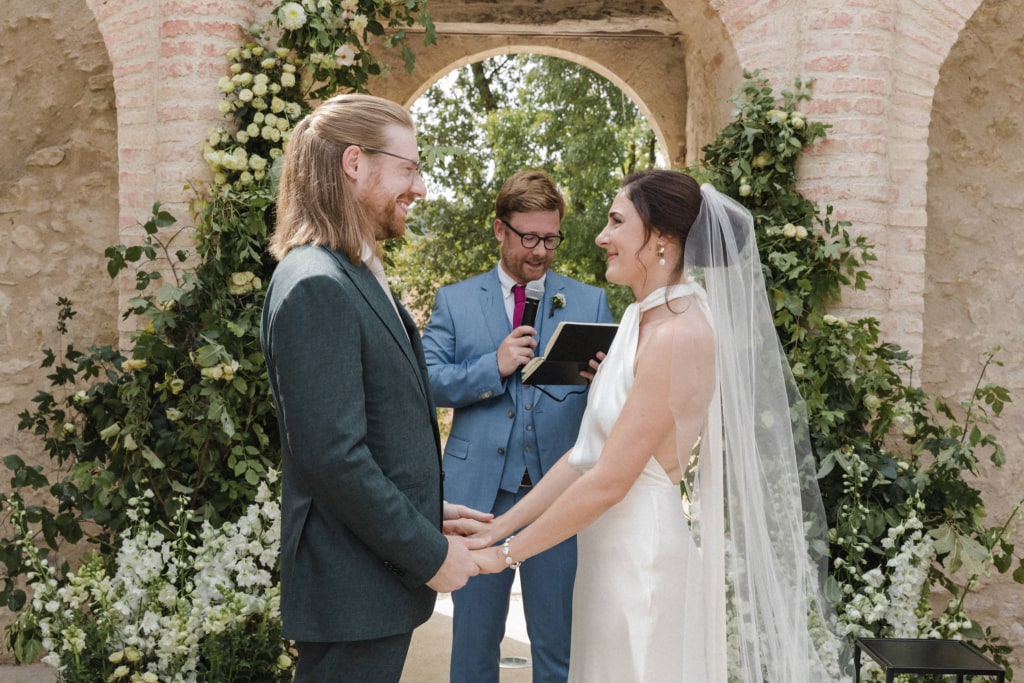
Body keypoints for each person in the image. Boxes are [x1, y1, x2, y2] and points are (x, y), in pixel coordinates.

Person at [468, 170, 844, 682]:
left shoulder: (679, 334)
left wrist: (505, 557)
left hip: (641, 562)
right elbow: (584, 457)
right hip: (606, 559)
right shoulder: (637, 320)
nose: (601, 236)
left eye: (616, 222)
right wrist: (497, 527)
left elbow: (609, 481)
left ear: (662, 238)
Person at [260, 93, 490, 683]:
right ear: (354, 163)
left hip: (368, 584)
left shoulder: (350, 271)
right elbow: (335, 458)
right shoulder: (316, 283)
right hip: (351, 590)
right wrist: (429, 554)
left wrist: (424, 509)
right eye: (409, 168)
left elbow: (375, 425)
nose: (421, 188)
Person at [422, 170, 614, 683]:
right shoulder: (456, 301)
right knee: (473, 648)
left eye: (550, 239)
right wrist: (493, 366)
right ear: (499, 230)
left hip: (559, 496)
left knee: (558, 648)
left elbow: (613, 402)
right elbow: (425, 382)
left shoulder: (590, 301)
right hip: (476, 502)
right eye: (529, 238)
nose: (540, 252)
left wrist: (604, 379)